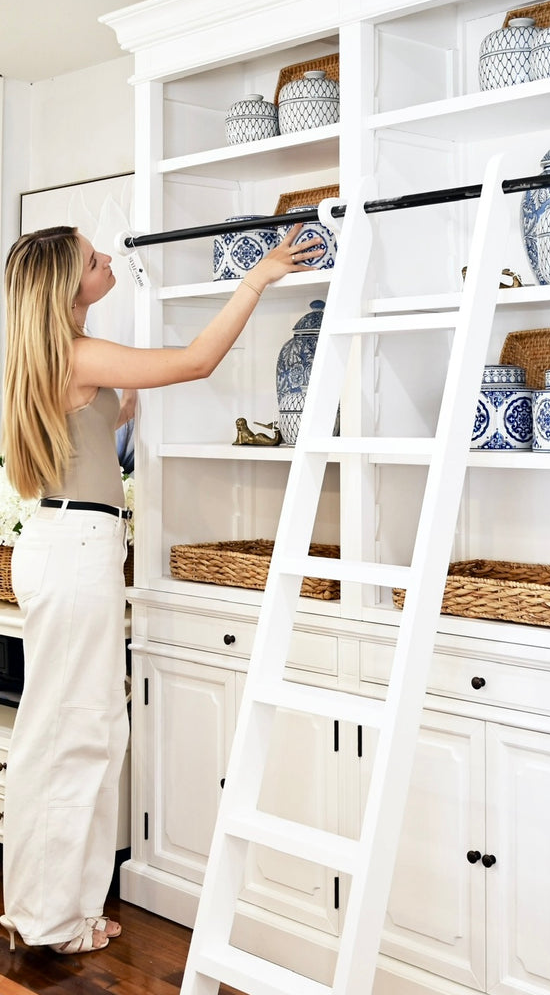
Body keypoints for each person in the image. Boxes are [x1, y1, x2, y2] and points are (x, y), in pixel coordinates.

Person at [0, 219, 319, 954]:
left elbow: (106, 414)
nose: (105, 258)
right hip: (78, 548)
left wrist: (123, 399)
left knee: (75, 730)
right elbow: (198, 361)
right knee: (75, 733)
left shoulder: (54, 360)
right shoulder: (76, 355)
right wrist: (258, 278)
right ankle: (52, 919)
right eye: (92, 258)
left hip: (62, 543)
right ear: (65, 285)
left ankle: (51, 910)